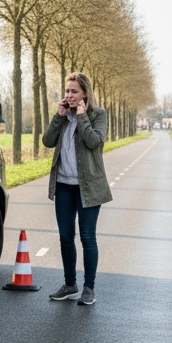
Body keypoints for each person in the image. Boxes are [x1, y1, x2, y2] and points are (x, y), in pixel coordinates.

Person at [42, 72, 113, 307]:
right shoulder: (63, 116)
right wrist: (59, 116)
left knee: (87, 237)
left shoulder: (98, 114)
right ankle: (70, 285)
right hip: (64, 186)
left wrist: (81, 117)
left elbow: (95, 142)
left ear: (85, 93)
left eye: (73, 91)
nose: (69, 95)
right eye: (67, 91)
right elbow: (47, 141)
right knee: (65, 237)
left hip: (88, 187)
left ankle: (89, 288)